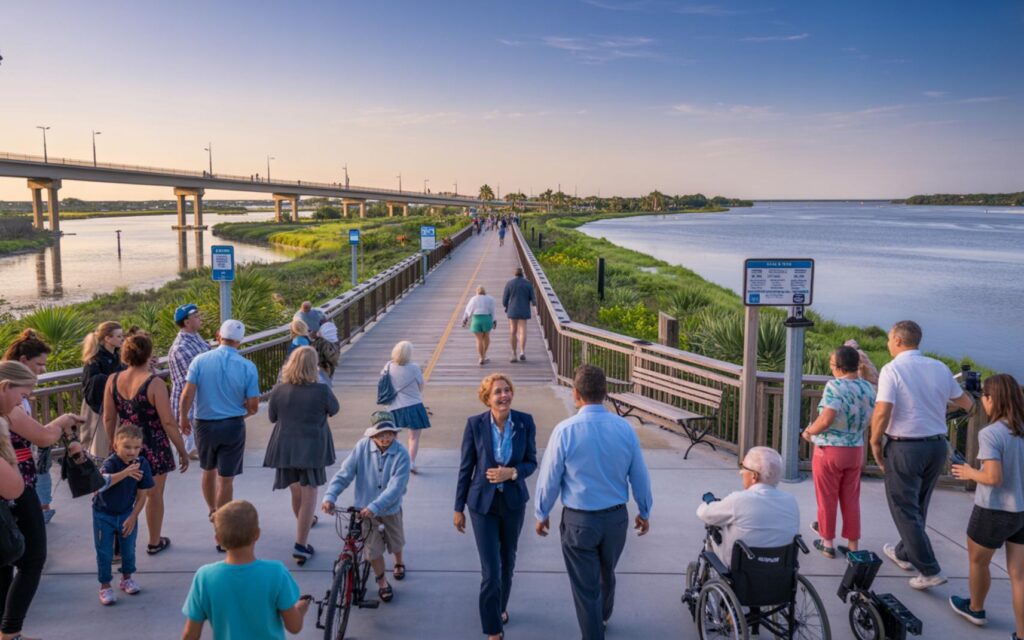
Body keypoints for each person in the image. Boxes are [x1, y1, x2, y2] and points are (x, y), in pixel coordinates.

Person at [534, 364, 652, 640]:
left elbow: (550, 477)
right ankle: (603, 617)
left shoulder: (565, 430)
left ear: (576, 394)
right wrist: (644, 511)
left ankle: (593, 630)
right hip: (615, 519)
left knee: (586, 588)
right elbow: (640, 476)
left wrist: (542, 512)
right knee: (606, 572)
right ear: (606, 393)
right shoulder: (625, 429)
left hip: (579, 521)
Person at [870, 320, 974, 590]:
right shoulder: (939, 368)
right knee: (919, 504)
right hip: (937, 446)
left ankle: (930, 570)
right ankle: (905, 553)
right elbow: (967, 404)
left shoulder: (891, 370)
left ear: (898, 341)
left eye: (889, 339)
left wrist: (874, 442)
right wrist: (935, 403)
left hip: (905, 447)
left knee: (903, 508)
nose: (887, 344)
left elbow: (882, 411)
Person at [0, 360, 82, 638]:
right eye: (21, 396)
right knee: (32, 560)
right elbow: (13, 486)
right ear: (5, 387)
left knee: (5, 560)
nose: (21, 403)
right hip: (16, 495)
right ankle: (10, 632)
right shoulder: (4, 418)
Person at [454, 374, 538, 640]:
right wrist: (458, 508)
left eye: (507, 390)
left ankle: (500, 607)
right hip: (482, 505)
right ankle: (493, 629)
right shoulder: (475, 425)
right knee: (491, 570)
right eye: (497, 392)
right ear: (487, 398)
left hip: (513, 503)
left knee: (508, 562)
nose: (504, 396)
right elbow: (466, 467)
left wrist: (512, 473)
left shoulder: (525, 422)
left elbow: (531, 462)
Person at [949, 373, 1024, 636]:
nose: (984, 403)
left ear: (993, 399)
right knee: (1020, 576)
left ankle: (976, 608)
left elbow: (993, 477)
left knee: (978, 562)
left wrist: (969, 472)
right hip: (1021, 512)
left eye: (985, 398)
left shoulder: (991, 433)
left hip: (993, 511)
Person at [103, 330, 189, 556]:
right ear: (149, 354)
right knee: (153, 494)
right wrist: (182, 450)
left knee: (123, 495)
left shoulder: (112, 380)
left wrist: (114, 443)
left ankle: (118, 546)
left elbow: (109, 417)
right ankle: (154, 541)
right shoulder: (154, 383)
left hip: (124, 443)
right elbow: (168, 422)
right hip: (153, 444)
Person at [182, 500, 310, 640]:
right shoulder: (276, 573)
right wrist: (302, 607)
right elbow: (294, 627)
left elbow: (190, 634)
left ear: (217, 539)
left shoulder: (205, 577)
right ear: (257, 534)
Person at [178, 319, 260, 537]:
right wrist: (244, 411)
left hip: (204, 424)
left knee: (208, 470)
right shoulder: (248, 367)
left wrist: (183, 418)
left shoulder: (199, 360)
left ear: (218, 336)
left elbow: (187, 394)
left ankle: (212, 511)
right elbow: (253, 406)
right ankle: (222, 525)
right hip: (233, 424)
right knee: (226, 479)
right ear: (240, 342)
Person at [322, 412, 411, 603]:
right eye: (381, 434)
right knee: (373, 551)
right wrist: (330, 496)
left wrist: (376, 505)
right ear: (372, 435)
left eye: (390, 433)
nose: (386, 437)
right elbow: (344, 473)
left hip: (390, 509)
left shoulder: (402, 454)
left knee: (396, 541)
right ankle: (382, 582)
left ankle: (399, 561)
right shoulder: (362, 447)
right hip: (365, 512)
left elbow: (396, 487)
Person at [263, 347, 339, 565]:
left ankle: (302, 533)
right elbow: (334, 409)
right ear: (312, 366)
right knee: (310, 495)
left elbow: (272, 417)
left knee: (296, 492)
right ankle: (300, 545)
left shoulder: (279, 390)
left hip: (285, 447)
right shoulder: (321, 390)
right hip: (312, 448)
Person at [801, 345, 875, 558]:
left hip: (830, 449)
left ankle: (827, 542)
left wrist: (809, 432)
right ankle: (853, 546)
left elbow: (826, 419)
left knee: (827, 497)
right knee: (851, 498)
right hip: (855, 450)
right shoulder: (868, 387)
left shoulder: (834, 386)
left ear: (839, 367)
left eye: (832, 365)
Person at [697, 446, 801, 568]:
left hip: (742, 567)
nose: (740, 472)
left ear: (754, 476)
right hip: (780, 567)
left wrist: (707, 503)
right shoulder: (790, 500)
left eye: (743, 467)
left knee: (712, 531)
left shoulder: (739, 500)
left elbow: (704, 514)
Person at [93, 424, 154, 605]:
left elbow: (143, 496)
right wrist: (125, 472)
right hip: (103, 514)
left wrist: (133, 516)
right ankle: (105, 586)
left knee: (128, 548)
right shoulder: (110, 463)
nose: (132, 451)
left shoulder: (142, 464)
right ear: (115, 446)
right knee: (104, 551)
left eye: (136, 447)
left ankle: (127, 578)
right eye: (127, 447)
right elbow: (100, 484)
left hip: (127, 513)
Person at [3, 329, 55, 523]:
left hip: (21, 475)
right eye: (39, 364)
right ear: (24, 361)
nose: (43, 370)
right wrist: (61, 423)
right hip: (15, 479)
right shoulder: (9, 404)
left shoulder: (13, 396)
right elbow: (42, 436)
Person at [168, 303, 209, 461]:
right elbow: (193, 378)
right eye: (196, 317)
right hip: (187, 402)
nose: (200, 319)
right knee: (191, 448)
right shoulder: (181, 348)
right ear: (186, 322)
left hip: (198, 400)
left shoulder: (196, 338)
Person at [382, 341, 430, 472]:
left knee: (393, 437)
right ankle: (410, 462)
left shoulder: (388, 366)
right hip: (413, 405)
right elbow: (420, 386)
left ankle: (394, 461)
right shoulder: (414, 368)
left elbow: (383, 382)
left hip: (393, 407)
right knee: (413, 437)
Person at [80, 321, 126, 457]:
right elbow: (90, 389)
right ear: (107, 338)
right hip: (98, 408)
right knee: (101, 447)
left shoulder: (119, 357)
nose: (122, 339)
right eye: (118, 336)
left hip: (115, 406)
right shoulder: (94, 361)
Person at [502, 267, 535, 363]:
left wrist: (506, 305)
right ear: (522, 274)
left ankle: (513, 353)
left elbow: (505, 299)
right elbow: (533, 298)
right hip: (524, 309)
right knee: (523, 331)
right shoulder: (528, 283)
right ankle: (522, 352)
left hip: (512, 310)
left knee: (513, 331)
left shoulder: (509, 283)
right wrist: (534, 304)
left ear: (515, 274)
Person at [462, 286, 498, 365]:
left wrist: (465, 319)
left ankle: (481, 357)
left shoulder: (473, 299)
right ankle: (484, 355)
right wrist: (494, 320)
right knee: (486, 337)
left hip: (476, 320)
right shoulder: (490, 299)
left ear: (477, 292)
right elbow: (493, 311)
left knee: (479, 340)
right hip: (487, 319)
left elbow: (468, 310)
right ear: (485, 292)